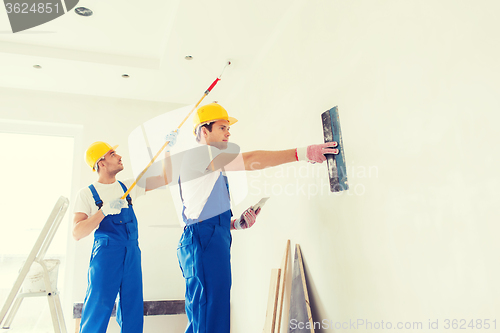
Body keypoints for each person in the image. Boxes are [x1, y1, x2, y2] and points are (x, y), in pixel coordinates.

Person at [176, 103, 338, 333]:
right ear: (204, 131)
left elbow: (200, 212)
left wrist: (235, 224)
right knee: (207, 313)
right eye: (223, 127)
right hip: (201, 242)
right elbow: (250, 160)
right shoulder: (199, 157)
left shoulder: (212, 168)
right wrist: (302, 153)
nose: (229, 132)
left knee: (215, 311)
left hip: (209, 239)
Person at [73, 134, 176, 333]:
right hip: (106, 254)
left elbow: (166, 178)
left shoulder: (128, 187)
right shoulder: (87, 193)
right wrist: (103, 212)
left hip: (132, 252)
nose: (119, 156)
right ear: (100, 163)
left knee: (132, 308)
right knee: (98, 306)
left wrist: (168, 150)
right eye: (112, 154)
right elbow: (77, 232)